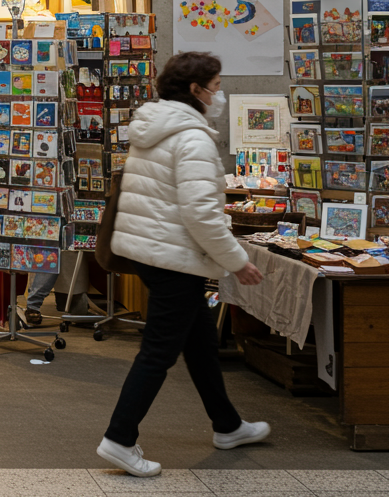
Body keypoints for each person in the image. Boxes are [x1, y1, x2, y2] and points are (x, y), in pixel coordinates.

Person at [97, 52, 268, 477]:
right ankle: (119, 438)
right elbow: (201, 214)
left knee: (200, 344)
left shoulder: (154, 127)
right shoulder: (191, 137)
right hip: (174, 256)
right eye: (216, 85)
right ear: (196, 90)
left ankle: (227, 425)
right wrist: (237, 261)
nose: (220, 93)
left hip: (156, 251)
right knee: (158, 352)